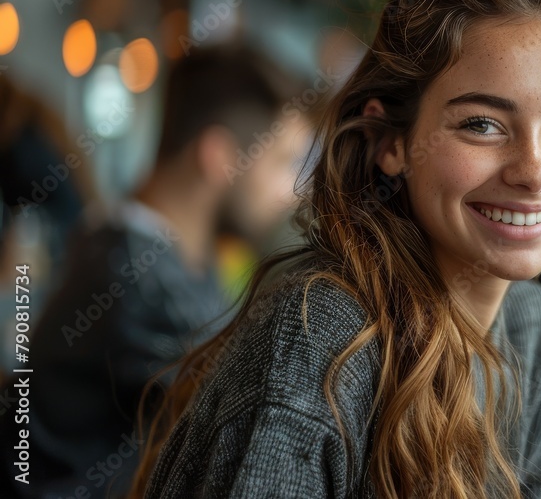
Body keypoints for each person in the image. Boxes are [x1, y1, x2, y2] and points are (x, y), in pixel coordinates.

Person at [129, 0, 541, 499]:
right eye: (482, 124)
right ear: (390, 142)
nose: (533, 168)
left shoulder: (529, 326)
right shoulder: (322, 337)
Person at [0, 47, 310, 498]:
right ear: (220, 156)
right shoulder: (138, 283)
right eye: (283, 162)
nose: (293, 193)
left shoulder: (154, 253)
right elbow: (256, 426)